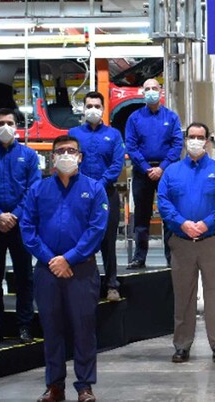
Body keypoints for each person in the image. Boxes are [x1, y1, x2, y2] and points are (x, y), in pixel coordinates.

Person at [20, 135, 108, 402]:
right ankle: (54, 385)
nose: (66, 155)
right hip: (48, 271)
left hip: (81, 270)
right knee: (52, 328)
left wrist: (68, 259)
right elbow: (27, 228)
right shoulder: (38, 189)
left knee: (84, 329)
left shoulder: (94, 189)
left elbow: (96, 230)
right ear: (52, 158)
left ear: (80, 157)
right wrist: (52, 260)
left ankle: (84, 386)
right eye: (61, 151)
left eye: (71, 151)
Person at [157, 122, 215, 363]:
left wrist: (206, 223)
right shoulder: (171, 172)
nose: (195, 141)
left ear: (208, 141)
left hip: (212, 240)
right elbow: (163, 201)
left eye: (200, 137)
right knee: (183, 296)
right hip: (181, 242)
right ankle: (182, 345)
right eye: (191, 136)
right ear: (185, 140)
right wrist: (182, 223)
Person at [0, 108, 41, 345]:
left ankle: (24, 326)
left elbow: (33, 189)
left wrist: (14, 215)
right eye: (0, 123)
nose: (5, 127)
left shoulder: (29, 156)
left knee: (25, 276)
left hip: (21, 225)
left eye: (9, 123)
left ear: (17, 126)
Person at [69, 91, 126, 301]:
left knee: (108, 241)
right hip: (78, 195)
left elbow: (117, 164)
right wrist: (84, 187)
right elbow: (70, 160)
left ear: (103, 109)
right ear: (83, 109)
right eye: (89, 105)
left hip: (106, 194)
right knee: (80, 239)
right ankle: (82, 283)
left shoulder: (114, 135)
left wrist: (98, 185)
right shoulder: (74, 133)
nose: (93, 109)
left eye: (97, 106)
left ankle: (112, 285)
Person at [125, 78, 183, 268]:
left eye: (154, 88)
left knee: (168, 215)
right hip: (143, 172)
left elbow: (177, 145)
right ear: (143, 92)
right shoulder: (134, 118)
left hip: (166, 173)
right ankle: (139, 257)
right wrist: (145, 167)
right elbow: (131, 146)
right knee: (141, 217)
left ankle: (171, 257)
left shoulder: (172, 118)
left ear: (161, 91)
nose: (151, 91)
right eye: (147, 88)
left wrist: (162, 167)